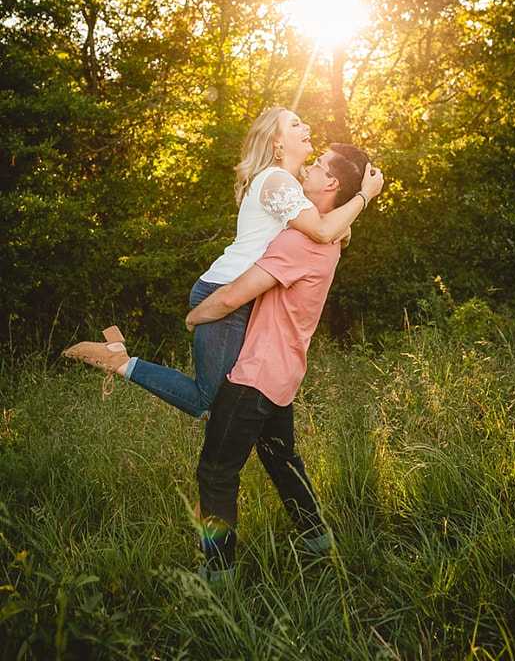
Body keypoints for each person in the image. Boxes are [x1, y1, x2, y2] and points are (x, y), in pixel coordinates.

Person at [61, 107, 383, 420]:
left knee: (236, 396)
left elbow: (329, 224)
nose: (306, 129)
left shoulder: (290, 186)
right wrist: (365, 196)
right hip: (225, 293)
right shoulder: (277, 182)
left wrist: (345, 225)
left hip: (238, 295)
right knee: (208, 400)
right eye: (296, 124)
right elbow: (324, 229)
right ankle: (119, 361)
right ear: (277, 142)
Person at [183, 142, 375, 584]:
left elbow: (233, 295)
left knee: (215, 473)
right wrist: (362, 197)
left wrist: (194, 316)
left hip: (253, 376)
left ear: (331, 183)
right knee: (281, 459)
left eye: (320, 164)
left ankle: (217, 577)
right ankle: (318, 544)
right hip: (284, 375)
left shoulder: (299, 241)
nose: (309, 165)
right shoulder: (330, 239)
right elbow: (338, 228)